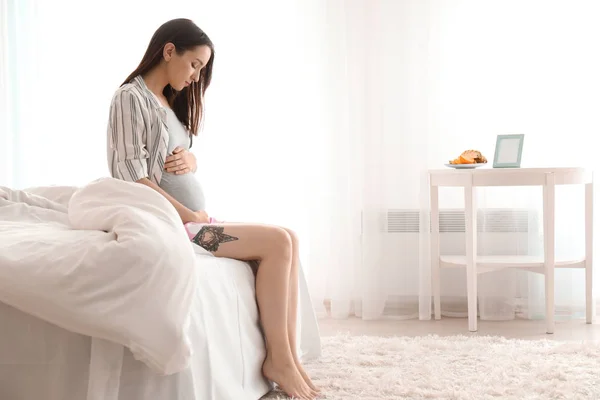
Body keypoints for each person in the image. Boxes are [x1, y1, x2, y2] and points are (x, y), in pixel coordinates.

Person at [106, 18, 318, 400]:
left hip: (196, 221)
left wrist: (192, 160)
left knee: (289, 237)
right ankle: (279, 363)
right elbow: (130, 177)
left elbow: (175, 157)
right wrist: (190, 216)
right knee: (276, 244)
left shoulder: (166, 101)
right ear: (169, 50)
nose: (195, 77)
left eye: (201, 70)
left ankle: (288, 358)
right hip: (179, 227)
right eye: (194, 65)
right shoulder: (129, 98)